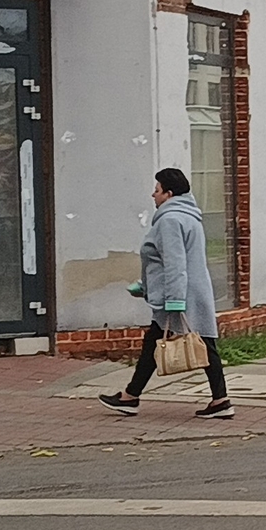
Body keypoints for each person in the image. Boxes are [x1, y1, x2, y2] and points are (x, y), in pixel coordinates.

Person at [99, 168, 232, 419]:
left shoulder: (170, 220)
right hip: (190, 290)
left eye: (157, 189)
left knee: (188, 344)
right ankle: (218, 400)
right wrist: (147, 285)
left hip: (179, 295)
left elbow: (174, 263)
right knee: (194, 343)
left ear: (169, 194)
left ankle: (131, 397)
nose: (153, 194)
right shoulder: (189, 216)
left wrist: (174, 301)